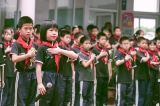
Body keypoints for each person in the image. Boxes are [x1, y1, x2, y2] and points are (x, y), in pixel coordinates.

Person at [35, 20, 78, 106]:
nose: (54, 33)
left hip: (59, 76)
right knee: (45, 101)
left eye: (55, 30)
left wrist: (60, 51)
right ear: (44, 32)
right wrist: (40, 83)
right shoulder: (42, 48)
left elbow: (75, 56)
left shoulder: (60, 47)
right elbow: (38, 66)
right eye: (51, 30)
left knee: (58, 101)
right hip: (47, 76)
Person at [10, 16, 38, 106]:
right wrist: (28, 55)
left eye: (31, 28)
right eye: (26, 28)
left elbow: (37, 59)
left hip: (33, 74)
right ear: (19, 29)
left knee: (32, 100)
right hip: (22, 74)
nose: (29, 31)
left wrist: (34, 58)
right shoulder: (16, 44)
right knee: (21, 101)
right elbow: (14, 58)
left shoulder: (34, 44)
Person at [92, 32, 112, 106]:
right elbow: (92, 61)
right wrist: (100, 55)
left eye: (105, 39)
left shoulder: (106, 50)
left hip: (105, 74)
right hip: (98, 74)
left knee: (104, 93)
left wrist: (110, 73)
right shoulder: (94, 50)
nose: (104, 41)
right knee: (98, 93)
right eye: (102, 39)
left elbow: (109, 62)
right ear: (97, 40)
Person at [115, 36, 134, 106]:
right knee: (121, 99)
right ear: (120, 44)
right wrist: (125, 59)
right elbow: (117, 63)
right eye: (125, 43)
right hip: (121, 79)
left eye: (128, 43)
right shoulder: (118, 53)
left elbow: (132, 67)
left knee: (128, 99)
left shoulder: (130, 54)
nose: (127, 45)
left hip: (129, 79)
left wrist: (132, 79)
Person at [78, 36, 96, 106]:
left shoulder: (91, 54)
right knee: (83, 97)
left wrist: (95, 79)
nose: (88, 45)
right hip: (84, 79)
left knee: (90, 98)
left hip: (91, 79)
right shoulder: (80, 54)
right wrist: (91, 59)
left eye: (89, 43)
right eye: (86, 43)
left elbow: (94, 67)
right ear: (81, 45)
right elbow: (85, 65)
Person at [59, 30, 74, 106]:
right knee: (61, 94)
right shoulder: (59, 47)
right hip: (62, 74)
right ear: (61, 38)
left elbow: (72, 62)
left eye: (70, 38)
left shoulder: (70, 49)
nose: (69, 39)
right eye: (67, 37)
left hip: (69, 74)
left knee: (68, 95)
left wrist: (73, 74)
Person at [1, 27, 15, 106]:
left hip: (12, 72)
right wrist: (6, 51)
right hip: (4, 72)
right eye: (7, 34)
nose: (9, 36)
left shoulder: (13, 45)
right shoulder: (1, 45)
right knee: (5, 92)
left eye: (11, 34)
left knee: (11, 92)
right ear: (3, 35)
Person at [134, 37, 150, 106]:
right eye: (142, 43)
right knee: (140, 96)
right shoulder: (137, 52)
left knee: (147, 94)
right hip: (139, 76)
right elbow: (145, 60)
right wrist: (148, 56)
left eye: (146, 43)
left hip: (146, 76)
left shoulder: (146, 52)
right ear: (138, 44)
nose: (144, 44)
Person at [72, 32, 84, 106]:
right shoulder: (74, 49)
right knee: (77, 91)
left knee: (82, 91)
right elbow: (72, 62)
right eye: (80, 38)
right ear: (75, 39)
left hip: (83, 72)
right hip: (77, 71)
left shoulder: (84, 49)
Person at [147, 40, 159, 106]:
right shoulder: (147, 53)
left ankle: (155, 103)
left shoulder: (157, 53)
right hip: (150, 71)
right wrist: (154, 63)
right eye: (151, 45)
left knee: (156, 87)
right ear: (148, 46)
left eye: (154, 45)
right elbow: (149, 62)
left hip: (156, 72)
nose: (152, 46)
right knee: (150, 87)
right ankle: (149, 103)